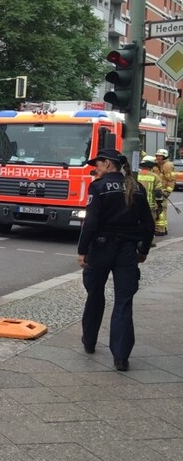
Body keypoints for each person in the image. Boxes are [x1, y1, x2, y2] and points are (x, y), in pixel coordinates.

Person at [78, 148, 154, 372]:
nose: (96, 168)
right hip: (127, 252)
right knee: (123, 301)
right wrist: (143, 250)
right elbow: (148, 225)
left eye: (98, 164)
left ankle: (89, 341)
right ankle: (121, 357)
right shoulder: (136, 188)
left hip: (100, 249)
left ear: (108, 164)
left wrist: (82, 250)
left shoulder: (98, 187)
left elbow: (90, 222)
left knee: (95, 294)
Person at [152, 148, 175, 236]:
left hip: (162, 191)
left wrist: (167, 192)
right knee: (159, 209)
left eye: (160, 156)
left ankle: (160, 230)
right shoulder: (156, 164)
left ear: (164, 156)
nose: (158, 157)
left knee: (160, 209)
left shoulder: (167, 165)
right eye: (157, 155)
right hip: (157, 190)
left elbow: (171, 180)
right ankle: (163, 229)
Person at [137, 155, 159, 228]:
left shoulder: (135, 174)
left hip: (136, 203)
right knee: (149, 224)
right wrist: (160, 205)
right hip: (150, 205)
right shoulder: (155, 176)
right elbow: (158, 193)